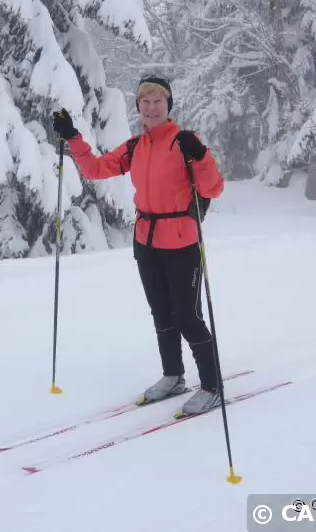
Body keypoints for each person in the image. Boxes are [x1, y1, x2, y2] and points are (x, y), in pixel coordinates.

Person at [52, 75, 225, 415]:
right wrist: (73, 137)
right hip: (146, 241)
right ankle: (173, 375)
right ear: (138, 107)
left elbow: (213, 188)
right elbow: (97, 169)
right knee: (161, 311)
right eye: (145, 101)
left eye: (158, 100)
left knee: (187, 316)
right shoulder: (135, 146)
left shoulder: (184, 142)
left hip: (182, 241)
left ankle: (212, 385)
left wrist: (201, 156)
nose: (151, 107)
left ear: (168, 105)